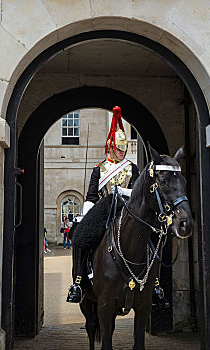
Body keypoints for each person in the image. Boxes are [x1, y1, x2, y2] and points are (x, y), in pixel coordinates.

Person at [67, 106, 140, 303]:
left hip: (127, 209)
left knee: (151, 235)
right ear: (110, 146)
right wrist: (86, 215)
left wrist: (122, 192)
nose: (122, 152)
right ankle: (78, 282)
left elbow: (137, 193)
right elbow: (91, 196)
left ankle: (155, 285)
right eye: (119, 148)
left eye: (124, 149)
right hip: (103, 210)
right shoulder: (99, 169)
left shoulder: (132, 168)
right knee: (82, 237)